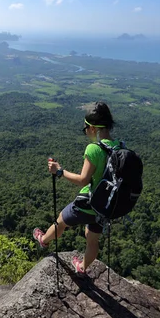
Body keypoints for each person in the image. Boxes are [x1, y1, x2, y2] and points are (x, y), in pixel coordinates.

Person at [33, 101, 120, 274]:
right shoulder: (118, 146)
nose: (85, 130)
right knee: (92, 239)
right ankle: (81, 267)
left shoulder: (93, 149)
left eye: (85, 127)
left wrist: (59, 171)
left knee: (61, 221)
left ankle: (43, 240)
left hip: (89, 202)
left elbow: (83, 180)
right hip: (106, 205)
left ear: (93, 128)